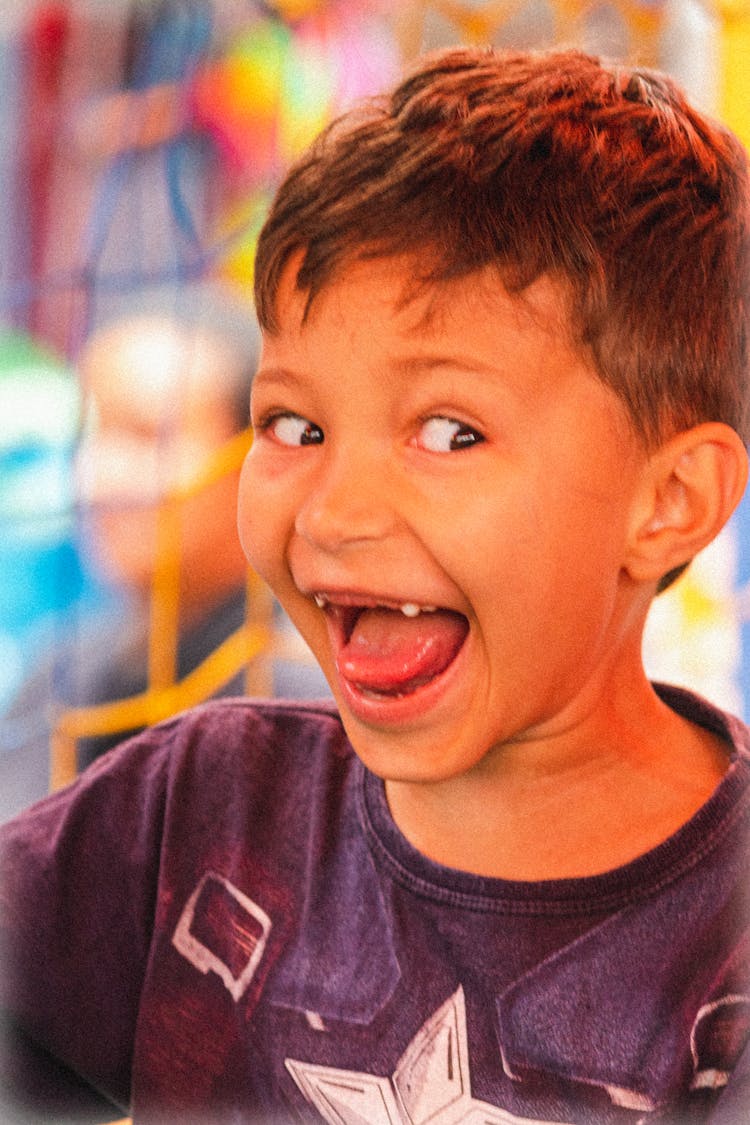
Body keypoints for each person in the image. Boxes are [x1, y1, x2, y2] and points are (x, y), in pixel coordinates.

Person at [1, 45, 750, 1124]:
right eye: (294, 425)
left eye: (449, 433)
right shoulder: (199, 812)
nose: (336, 513)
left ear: (670, 501)